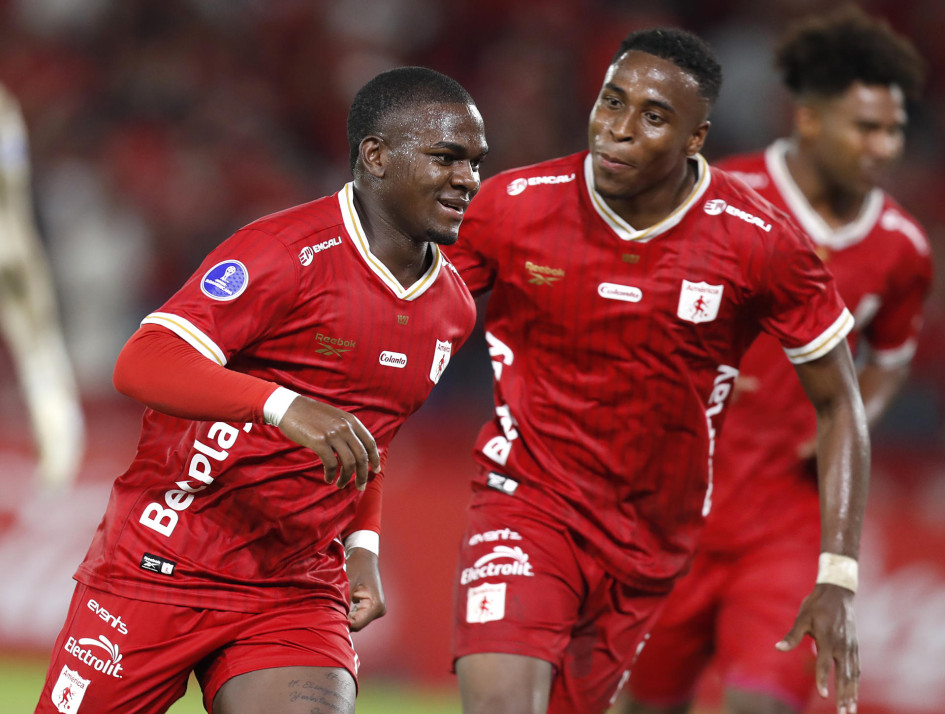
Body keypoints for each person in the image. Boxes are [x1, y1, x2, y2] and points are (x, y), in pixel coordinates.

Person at [35, 66, 488, 714]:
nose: (467, 179)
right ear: (376, 156)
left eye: (475, 162)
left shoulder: (451, 308)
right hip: (166, 560)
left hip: (295, 586)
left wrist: (363, 546)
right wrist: (281, 405)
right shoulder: (282, 252)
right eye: (446, 158)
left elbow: (367, 438)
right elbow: (142, 361)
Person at [444, 27, 869, 714]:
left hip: (650, 545)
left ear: (695, 137)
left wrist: (837, 575)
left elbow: (840, 405)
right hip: (524, 502)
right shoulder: (510, 207)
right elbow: (404, 309)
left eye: (651, 116)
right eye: (611, 102)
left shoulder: (758, 243)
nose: (617, 129)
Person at [623, 8, 931, 714]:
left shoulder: (900, 247)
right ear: (811, 121)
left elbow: (890, 357)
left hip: (787, 520)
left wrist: (861, 414)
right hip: (674, 507)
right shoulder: (717, 196)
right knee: (646, 703)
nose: (883, 147)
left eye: (893, 130)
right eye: (865, 127)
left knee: (759, 704)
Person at [0, 83, 84, 491]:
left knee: (38, 347)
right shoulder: (6, 107)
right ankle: (60, 458)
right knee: (39, 350)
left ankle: (60, 457)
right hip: (13, 239)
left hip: (10, 241)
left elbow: (12, 185)